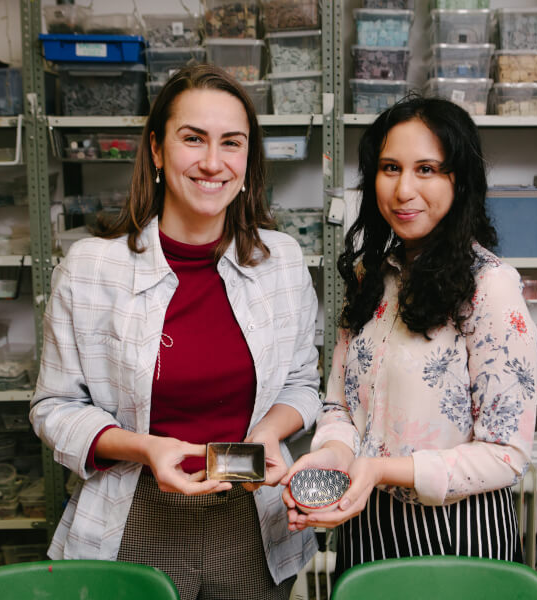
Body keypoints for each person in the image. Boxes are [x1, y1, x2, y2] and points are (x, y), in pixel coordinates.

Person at [30, 64, 320, 600]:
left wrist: (268, 434)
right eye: (193, 139)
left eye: (231, 143)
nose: (213, 162)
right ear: (158, 149)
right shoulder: (91, 268)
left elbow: (302, 384)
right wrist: (145, 449)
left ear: (247, 157)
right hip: (133, 515)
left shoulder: (281, 260)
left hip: (251, 519)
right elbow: (55, 407)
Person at [282, 96, 537, 575]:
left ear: (458, 180)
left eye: (426, 169)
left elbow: (507, 453)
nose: (404, 190)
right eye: (389, 168)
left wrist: (378, 469)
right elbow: (338, 406)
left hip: (459, 536)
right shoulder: (369, 277)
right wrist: (335, 457)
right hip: (365, 521)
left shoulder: (491, 286)